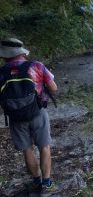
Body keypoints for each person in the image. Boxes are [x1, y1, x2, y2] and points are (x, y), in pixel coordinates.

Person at [0, 38, 59, 196]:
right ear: (22, 53)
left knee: (27, 150)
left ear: (5, 55)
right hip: (37, 112)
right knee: (44, 146)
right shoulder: (36, 66)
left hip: (15, 117)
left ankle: (37, 180)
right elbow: (54, 88)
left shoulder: (1, 72)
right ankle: (47, 184)